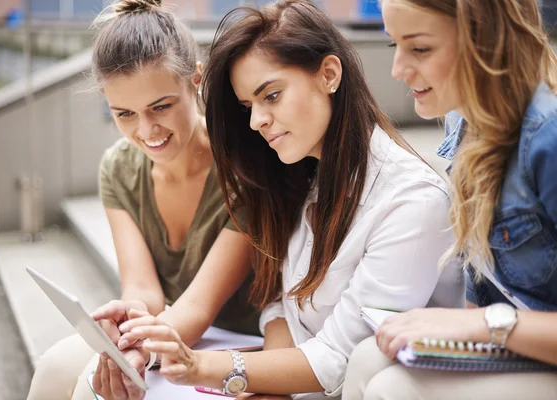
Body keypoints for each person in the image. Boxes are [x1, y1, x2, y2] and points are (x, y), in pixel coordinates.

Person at [114, 1, 465, 399]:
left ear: (329, 75)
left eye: (272, 96)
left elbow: (339, 358)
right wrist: (265, 382)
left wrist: (209, 368)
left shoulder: (413, 202)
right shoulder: (302, 175)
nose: (256, 120)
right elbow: (280, 306)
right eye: (248, 106)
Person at [26, 1, 260, 399]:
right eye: (125, 114)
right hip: (169, 326)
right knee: (52, 370)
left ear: (196, 80)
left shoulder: (243, 170)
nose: (147, 130)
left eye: (161, 107)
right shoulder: (119, 169)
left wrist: (140, 351)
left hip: (239, 342)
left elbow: (200, 309)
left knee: (91, 389)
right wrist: (130, 319)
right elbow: (142, 288)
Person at [342, 0, 557, 399]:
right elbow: (486, 284)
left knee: (395, 389)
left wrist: (475, 326)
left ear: (486, 40)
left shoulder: (548, 137)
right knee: (368, 358)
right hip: (523, 347)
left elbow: (484, 317)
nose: (398, 70)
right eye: (394, 47)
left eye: (419, 49)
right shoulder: (465, 124)